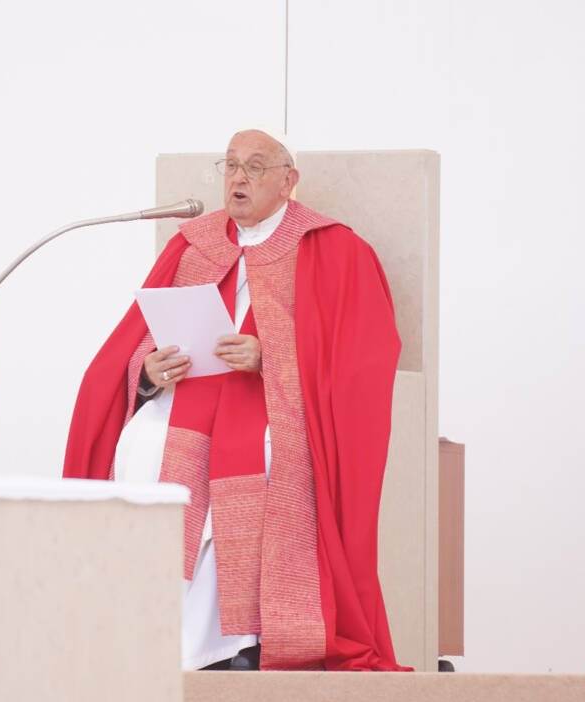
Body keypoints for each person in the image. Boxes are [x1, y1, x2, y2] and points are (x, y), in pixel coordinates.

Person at [64, 128, 406, 671]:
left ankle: (242, 640)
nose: (239, 178)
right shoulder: (195, 242)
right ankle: (149, 635)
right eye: (230, 166)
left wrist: (271, 357)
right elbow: (134, 342)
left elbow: (366, 353)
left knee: (261, 458)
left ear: (288, 181)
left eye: (255, 166)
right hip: (190, 396)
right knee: (142, 446)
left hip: (276, 406)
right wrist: (148, 371)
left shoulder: (330, 246)